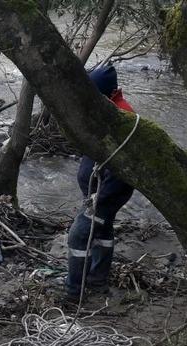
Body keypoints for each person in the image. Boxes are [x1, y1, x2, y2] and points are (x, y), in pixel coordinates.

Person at [65, 64, 135, 302]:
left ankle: (74, 294)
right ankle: (97, 281)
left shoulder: (123, 118)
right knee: (103, 231)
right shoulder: (107, 110)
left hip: (107, 193)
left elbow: (122, 170)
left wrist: (99, 198)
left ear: (107, 94)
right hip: (99, 191)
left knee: (78, 236)